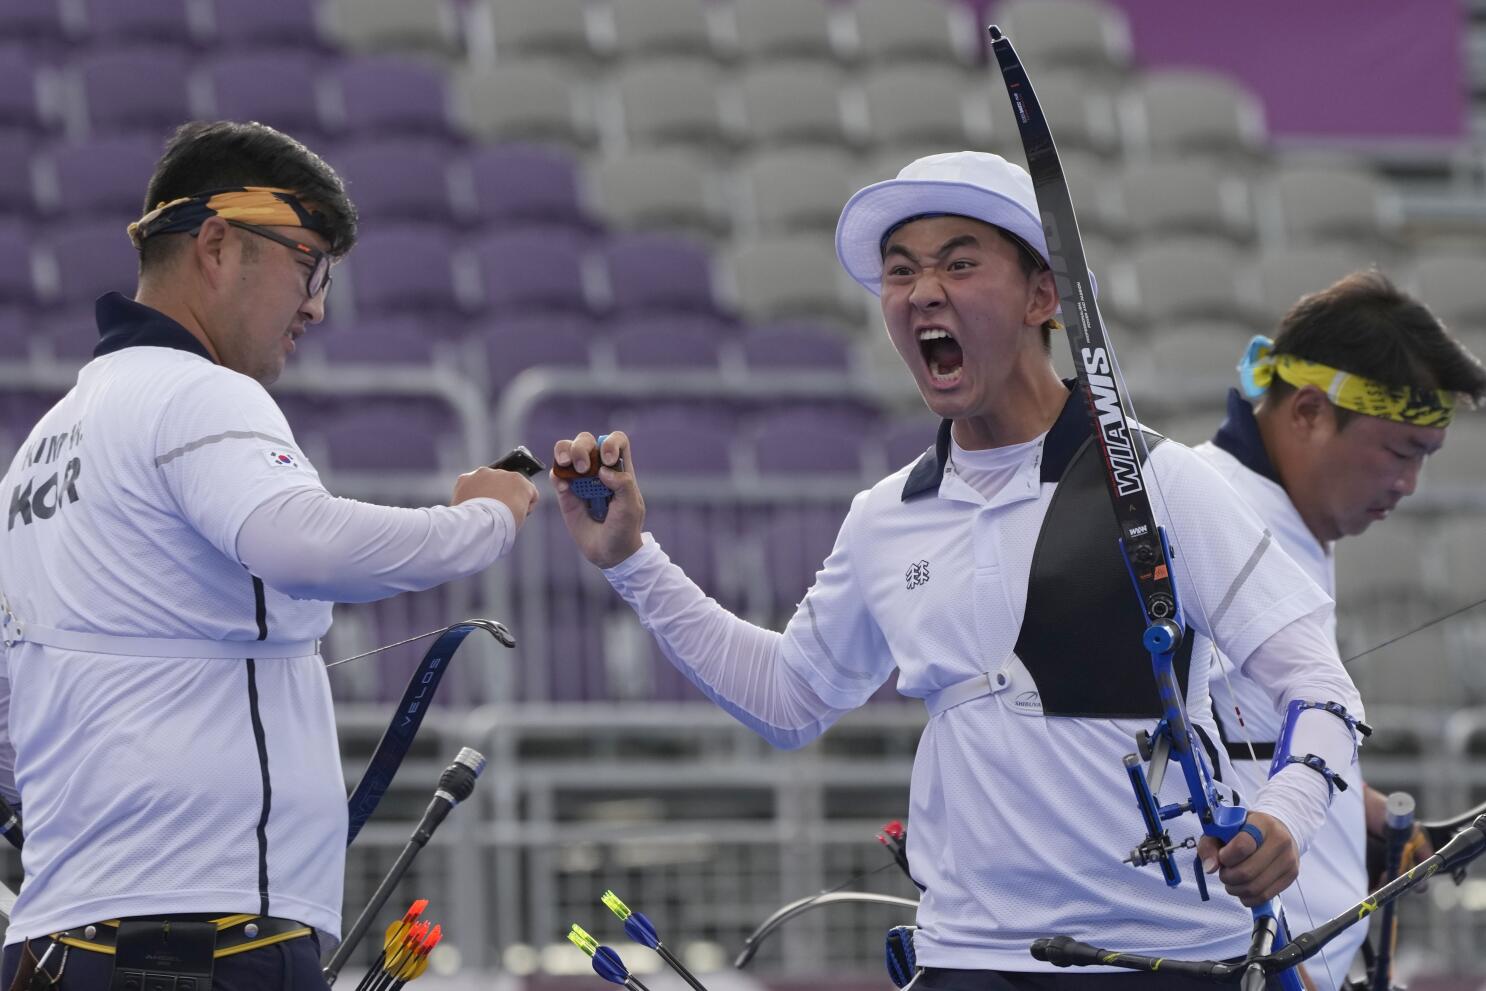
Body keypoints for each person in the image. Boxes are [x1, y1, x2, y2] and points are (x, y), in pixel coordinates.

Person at [551, 151, 1366, 989]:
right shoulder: (885, 516)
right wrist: (631, 563)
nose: (921, 292)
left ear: (1042, 297)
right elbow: (788, 699)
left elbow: (1321, 686)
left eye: (959, 262)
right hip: (968, 956)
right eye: (899, 273)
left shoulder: (1162, 481)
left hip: (1174, 956)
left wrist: (1285, 815)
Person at [0, 121, 539, 990]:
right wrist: (486, 520)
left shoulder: (45, 444)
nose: (318, 304)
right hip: (205, 945)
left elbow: (8, 733)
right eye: (307, 261)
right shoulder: (198, 391)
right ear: (217, 244)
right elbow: (305, 543)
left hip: (58, 946)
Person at [1196, 270, 1486, 990]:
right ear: (1307, 412)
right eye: (1400, 451)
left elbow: (1240, 725)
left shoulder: (1287, 520)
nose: (1411, 484)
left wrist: (1361, 807)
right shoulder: (1212, 516)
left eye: (1426, 456)